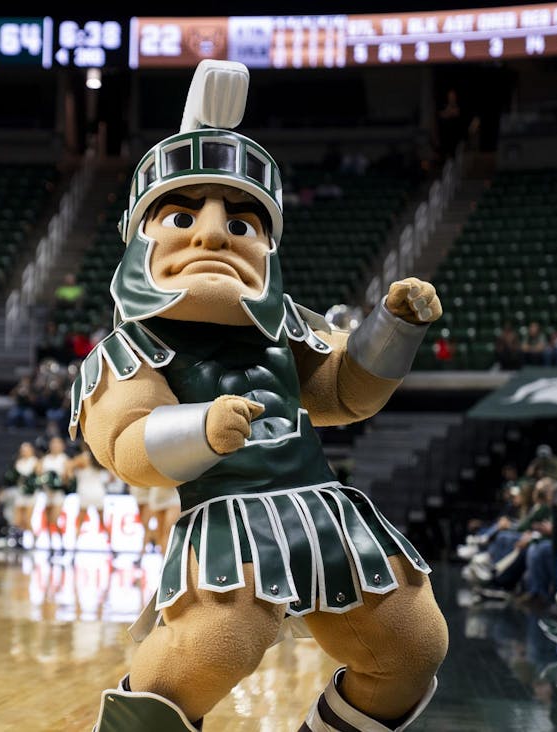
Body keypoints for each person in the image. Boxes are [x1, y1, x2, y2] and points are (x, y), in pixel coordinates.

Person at [75, 61, 447, 730]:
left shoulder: (288, 327)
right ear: (137, 239)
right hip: (227, 524)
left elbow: (343, 395)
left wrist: (394, 329)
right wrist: (202, 429)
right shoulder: (127, 351)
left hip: (325, 510)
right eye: (183, 214)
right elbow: (128, 445)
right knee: (215, 644)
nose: (214, 233)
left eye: (241, 224)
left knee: (412, 643)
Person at [37, 436, 71, 552]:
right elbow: (38, 474)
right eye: (53, 443)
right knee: (47, 521)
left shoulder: (64, 459)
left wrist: (58, 481)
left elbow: (67, 478)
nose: (55, 446)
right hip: (47, 494)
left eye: (58, 443)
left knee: (54, 520)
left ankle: (61, 543)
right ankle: (51, 545)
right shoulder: (45, 459)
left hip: (58, 494)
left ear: (62, 446)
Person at [73, 448, 112, 544]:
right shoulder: (99, 456)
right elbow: (111, 477)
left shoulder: (82, 458)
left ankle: (74, 549)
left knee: (79, 523)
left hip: (85, 493)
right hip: (98, 492)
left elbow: (69, 467)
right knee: (103, 521)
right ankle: (111, 547)